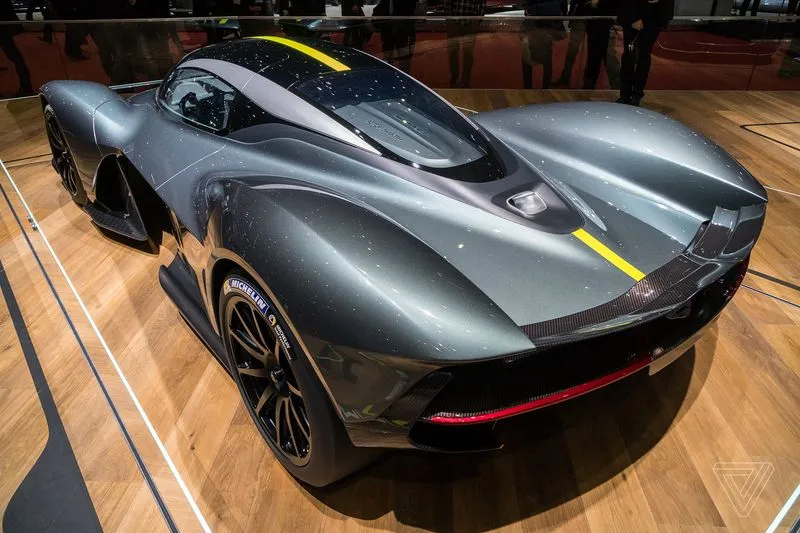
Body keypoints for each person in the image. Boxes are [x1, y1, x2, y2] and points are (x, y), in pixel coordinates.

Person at [617, 0, 673, 106]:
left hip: (654, 17)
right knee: (629, 55)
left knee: (644, 55)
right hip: (634, 15)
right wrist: (634, 17)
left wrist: (665, 15)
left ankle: (637, 94)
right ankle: (625, 94)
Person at [520, 0, 566, 90]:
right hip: (550, 21)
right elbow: (563, 6)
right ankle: (545, 88)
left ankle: (529, 88)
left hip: (537, 20)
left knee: (528, 58)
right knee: (546, 57)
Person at [445, 0, 486, 88]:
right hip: (454, 22)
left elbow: (482, 4)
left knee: (468, 53)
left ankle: (465, 79)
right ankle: (455, 77)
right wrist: (450, 19)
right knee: (453, 52)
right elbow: (447, 3)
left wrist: (477, 21)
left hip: (471, 23)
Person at [582, 0, 619, 89]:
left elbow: (615, 4)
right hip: (594, 24)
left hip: (608, 24)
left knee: (609, 58)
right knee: (593, 57)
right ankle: (588, 86)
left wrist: (598, 3)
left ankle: (618, 88)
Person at [374, 0, 417, 73]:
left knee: (404, 61)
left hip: (404, 30)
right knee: (387, 59)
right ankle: (389, 76)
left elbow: (409, 8)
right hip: (388, 30)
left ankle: (402, 77)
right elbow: (380, 8)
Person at [0, 0, 33, 96]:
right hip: (4, 25)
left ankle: (26, 86)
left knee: (15, 56)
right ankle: (26, 86)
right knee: (15, 56)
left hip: (3, 26)